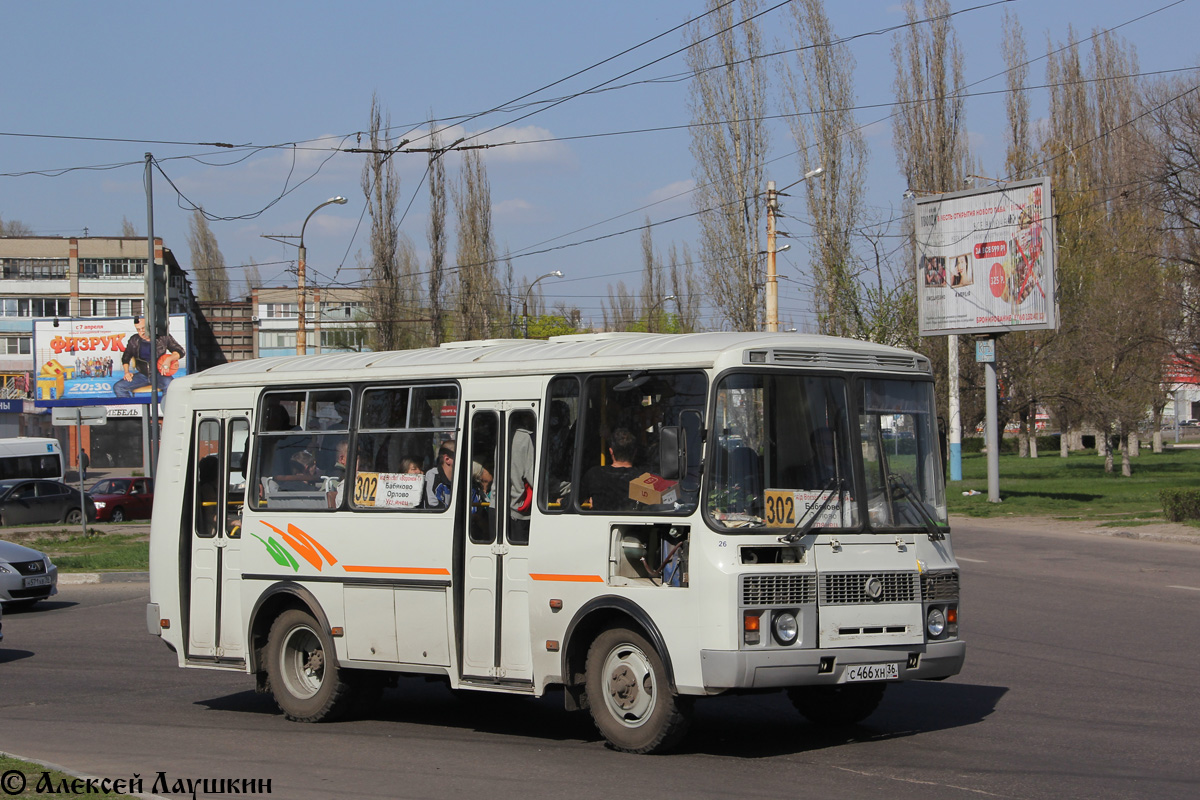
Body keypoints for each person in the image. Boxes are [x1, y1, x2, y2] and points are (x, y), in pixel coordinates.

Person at [114, 316, 186, 398]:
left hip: (160, 374)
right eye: (138, 330)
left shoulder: (163, 337)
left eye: (143, 328)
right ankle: (132, 408)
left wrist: (169, 359)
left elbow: (180, 351)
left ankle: (165, 409)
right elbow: (126, 357)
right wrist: (126, 372)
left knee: (171, 387)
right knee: (119, 387)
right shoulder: (134, 340)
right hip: (142, 375)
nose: (142, 332)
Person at [581, 427, 641, 511]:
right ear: (635, 452)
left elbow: (572, 501)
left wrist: (560, 501)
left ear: (611, 451)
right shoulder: (645, 479)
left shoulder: (594, 475)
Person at [424, 440, 456, 508]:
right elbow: (433, 506)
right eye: (460, 456)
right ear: (447, 459)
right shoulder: (433, 475)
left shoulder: (462, 479)